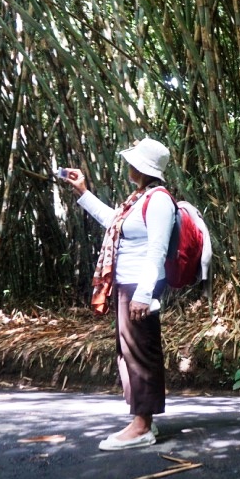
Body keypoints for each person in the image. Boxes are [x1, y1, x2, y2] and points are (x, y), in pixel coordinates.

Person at [62, 137, 175, 451]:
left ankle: (142, 426)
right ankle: (140, 420)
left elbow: (156, 250)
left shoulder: (160, 200)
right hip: (128, 286)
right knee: (128, 352)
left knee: (141, 354)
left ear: (142, 167)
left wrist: (143, 293)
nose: (128, 164)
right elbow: (114, 223)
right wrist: (83, 192)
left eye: (133, 160)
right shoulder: (138, 198)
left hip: (141, 286)